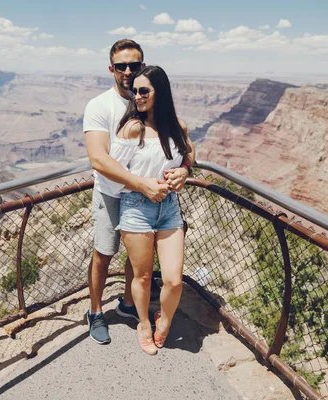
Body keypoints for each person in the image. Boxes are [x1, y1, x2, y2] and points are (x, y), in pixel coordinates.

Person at [83, 39, 194, 345]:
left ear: (143, 67)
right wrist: (140, 183)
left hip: (150, 198)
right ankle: (95, 312)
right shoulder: (100, 106)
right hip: (111, 193)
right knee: (104, 254)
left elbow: (181, 146)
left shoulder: (148, 101)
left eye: (135, 65)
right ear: (112, 69)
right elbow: (99, 159)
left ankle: (129, 306)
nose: (129, 71)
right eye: (122, 66)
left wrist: (185, 169)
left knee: (138, 263)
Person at [112, 65, 191, 355]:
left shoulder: (178, 127)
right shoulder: (134, 128)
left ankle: (165, 320)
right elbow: (112, 173)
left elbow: (189, 154)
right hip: (136, 206)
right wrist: (143, 185)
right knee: (142, 276)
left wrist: (184, 171)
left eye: (144, 91)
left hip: (169, 207)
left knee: (172, 279)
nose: (137, 96)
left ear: (161, 93)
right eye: (135, 91)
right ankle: (143, 322)